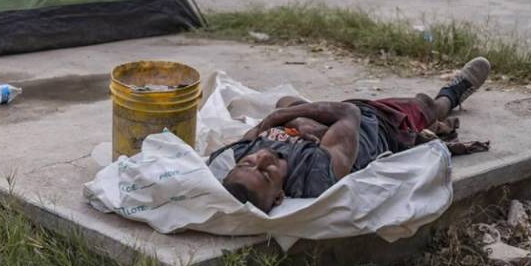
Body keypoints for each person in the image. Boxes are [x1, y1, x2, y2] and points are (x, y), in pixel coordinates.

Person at [210, 58, 492, 212]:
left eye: (249, 163)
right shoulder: (315, 174)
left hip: (325, 122)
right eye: (266, 173)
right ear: (280, 197)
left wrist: (290, 119)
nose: (261, 158)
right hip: (378, 125)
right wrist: (295, 124)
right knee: (425, 106)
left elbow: (262, 128)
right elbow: (349, 115)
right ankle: (453, 94)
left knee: (285, 100)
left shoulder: (242, 152)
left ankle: (436, 129)